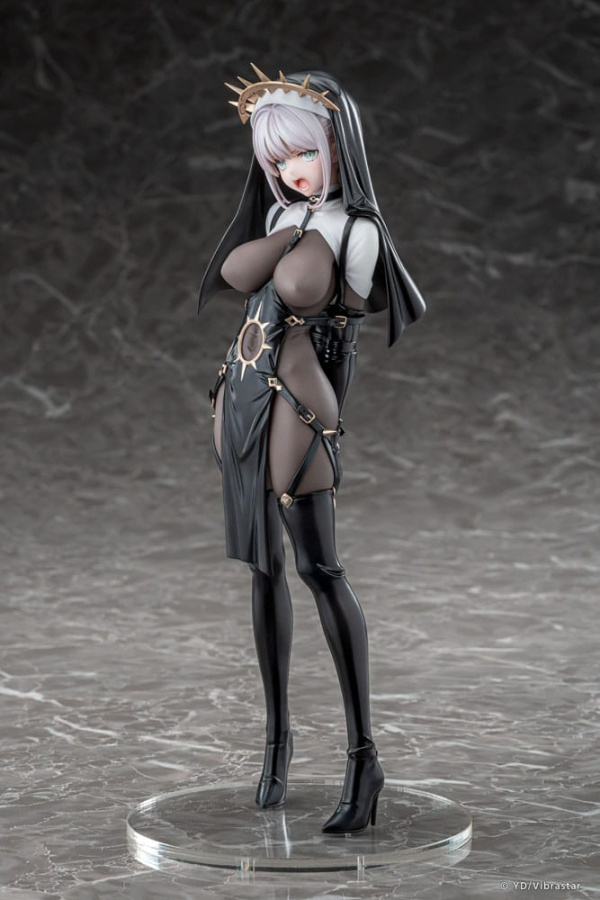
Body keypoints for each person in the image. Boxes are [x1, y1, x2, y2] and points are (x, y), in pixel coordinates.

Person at [198, 64, 426, 834]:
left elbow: (341, 340)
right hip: (243, 391)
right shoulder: (280, 213)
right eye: (278, 158)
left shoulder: (358, 230)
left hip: (300, 401)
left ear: (339, 145)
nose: (292, 170)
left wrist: (329, 422)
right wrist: (290, 226)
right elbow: (244, 276)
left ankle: (364, 759)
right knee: (262, 568)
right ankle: (276, 743)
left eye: (304, 152)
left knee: (318, 567)